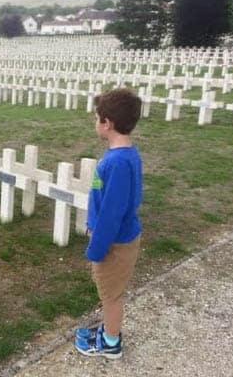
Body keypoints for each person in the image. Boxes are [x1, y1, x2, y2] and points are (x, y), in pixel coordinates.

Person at [74, 88, 143, 359]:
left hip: (114, 243)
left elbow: (112, 214)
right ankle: (107, 331)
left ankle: (111, 343)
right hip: (115, 237)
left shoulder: (117, 163)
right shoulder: (125, 155)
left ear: (107, 123)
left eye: (96, 118)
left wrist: (96, 247)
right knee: (109, 291)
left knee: (111, 296)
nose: (95, 123)